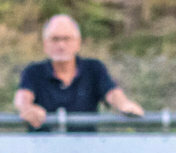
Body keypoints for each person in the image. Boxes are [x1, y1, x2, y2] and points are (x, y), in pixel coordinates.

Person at [14, 14, 143, 132]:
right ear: (45, 44)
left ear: (78, 43)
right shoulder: (33, 71)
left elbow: (112, 93)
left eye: (67, 39)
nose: (61, 45)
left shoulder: (94, 68)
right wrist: (28, 109)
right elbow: (23, 97)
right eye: (55, 39)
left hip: (85, 149)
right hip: (43, 150)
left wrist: (124, 104)